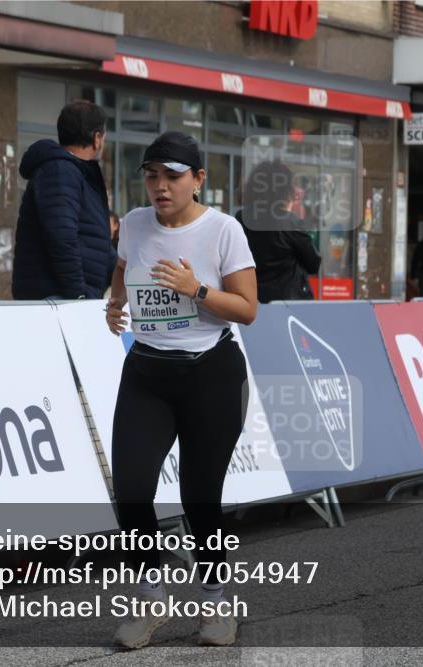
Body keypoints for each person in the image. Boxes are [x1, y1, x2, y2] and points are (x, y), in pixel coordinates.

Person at [105, 131, 257, 649]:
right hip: (147, 373)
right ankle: (152, 597)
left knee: (199, 496)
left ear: (198, 179)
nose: (160, 186)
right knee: (130, 490)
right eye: (152, 176)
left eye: (172, 176)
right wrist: (114, 303)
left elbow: (248, 309)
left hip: (210, 373)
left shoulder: (223, 230)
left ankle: (215, 603)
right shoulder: (134, 223)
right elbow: (123, 265)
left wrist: (197, 290)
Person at [12, 99, 115, 300]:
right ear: (97, 138)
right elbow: (61, 237)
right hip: (58, 299)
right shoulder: (60, 171)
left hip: (67, 297)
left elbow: (92, 239)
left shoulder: (75, 172)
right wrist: (78, 294)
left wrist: (124, 268)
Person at [237, 160, 321, 303]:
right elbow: (313, 264)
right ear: (284, 190)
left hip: (251, 300)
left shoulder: (241, 218)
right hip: (288, 302)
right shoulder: (289, 221)